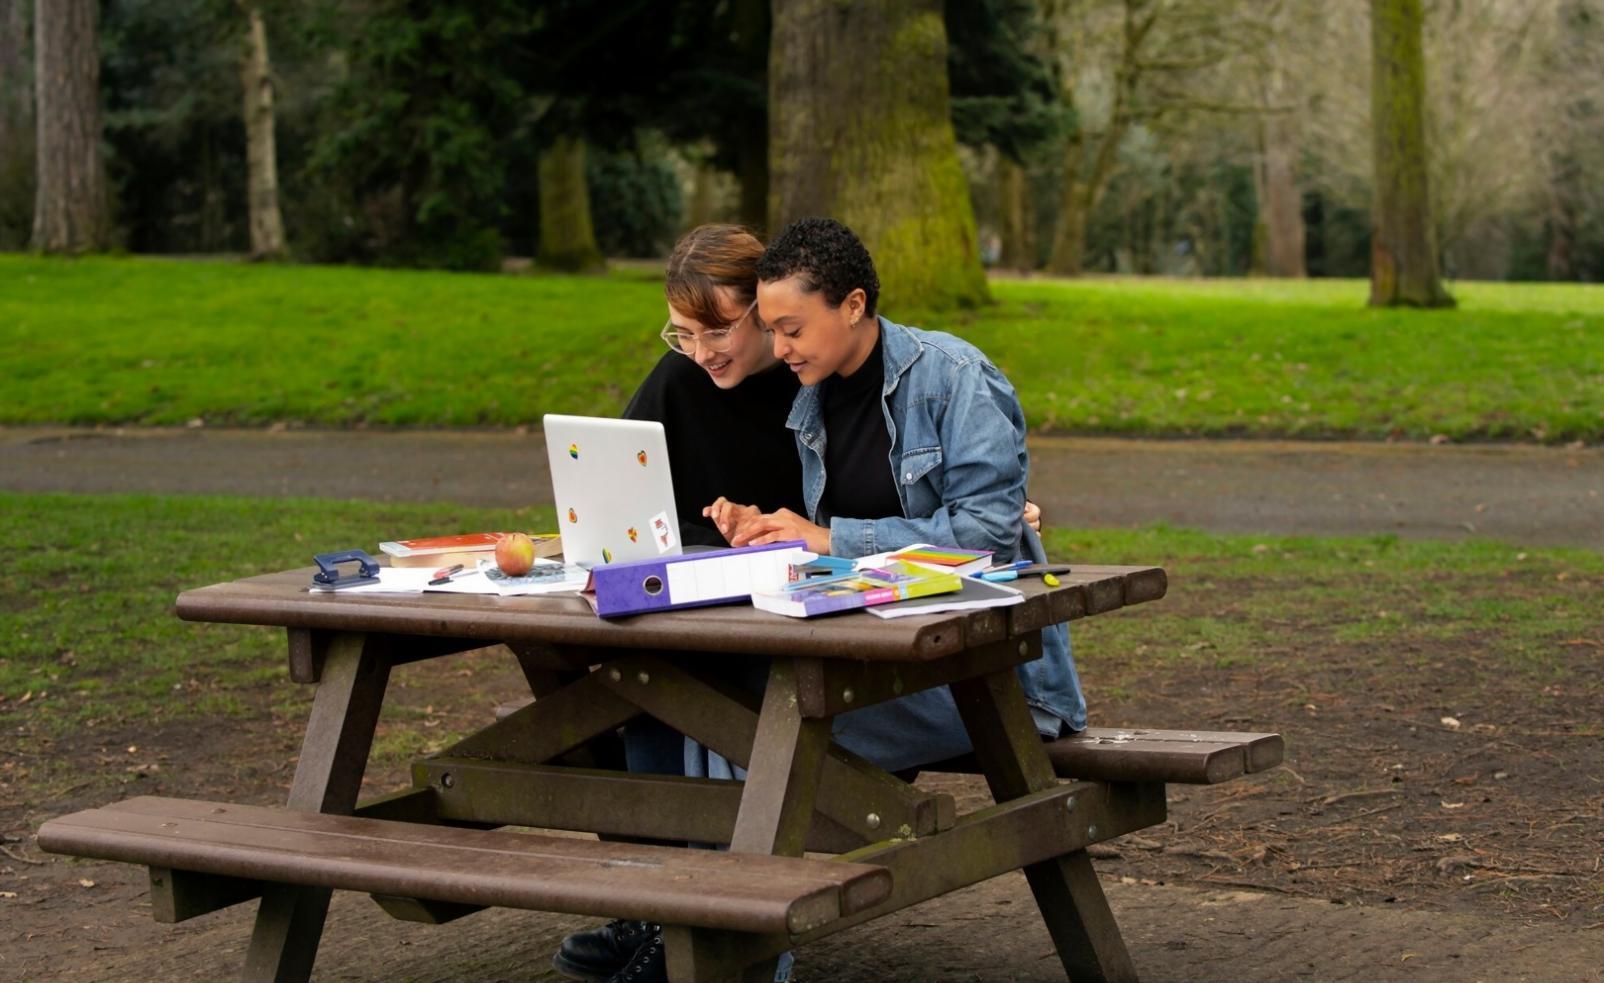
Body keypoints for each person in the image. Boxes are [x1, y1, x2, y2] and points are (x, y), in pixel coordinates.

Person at [551, 222, 1057, 983]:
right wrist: (753, 532)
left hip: (974, 671)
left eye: (786, 328)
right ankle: (690, 920)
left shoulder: (940, 376)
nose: (783, 350)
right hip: (866, 646)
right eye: (777, 330)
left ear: (849, 305)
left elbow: (979, 535)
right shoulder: (813, 399)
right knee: (695, 693)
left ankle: (724, 942)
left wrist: (827, 538)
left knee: (729, 708)